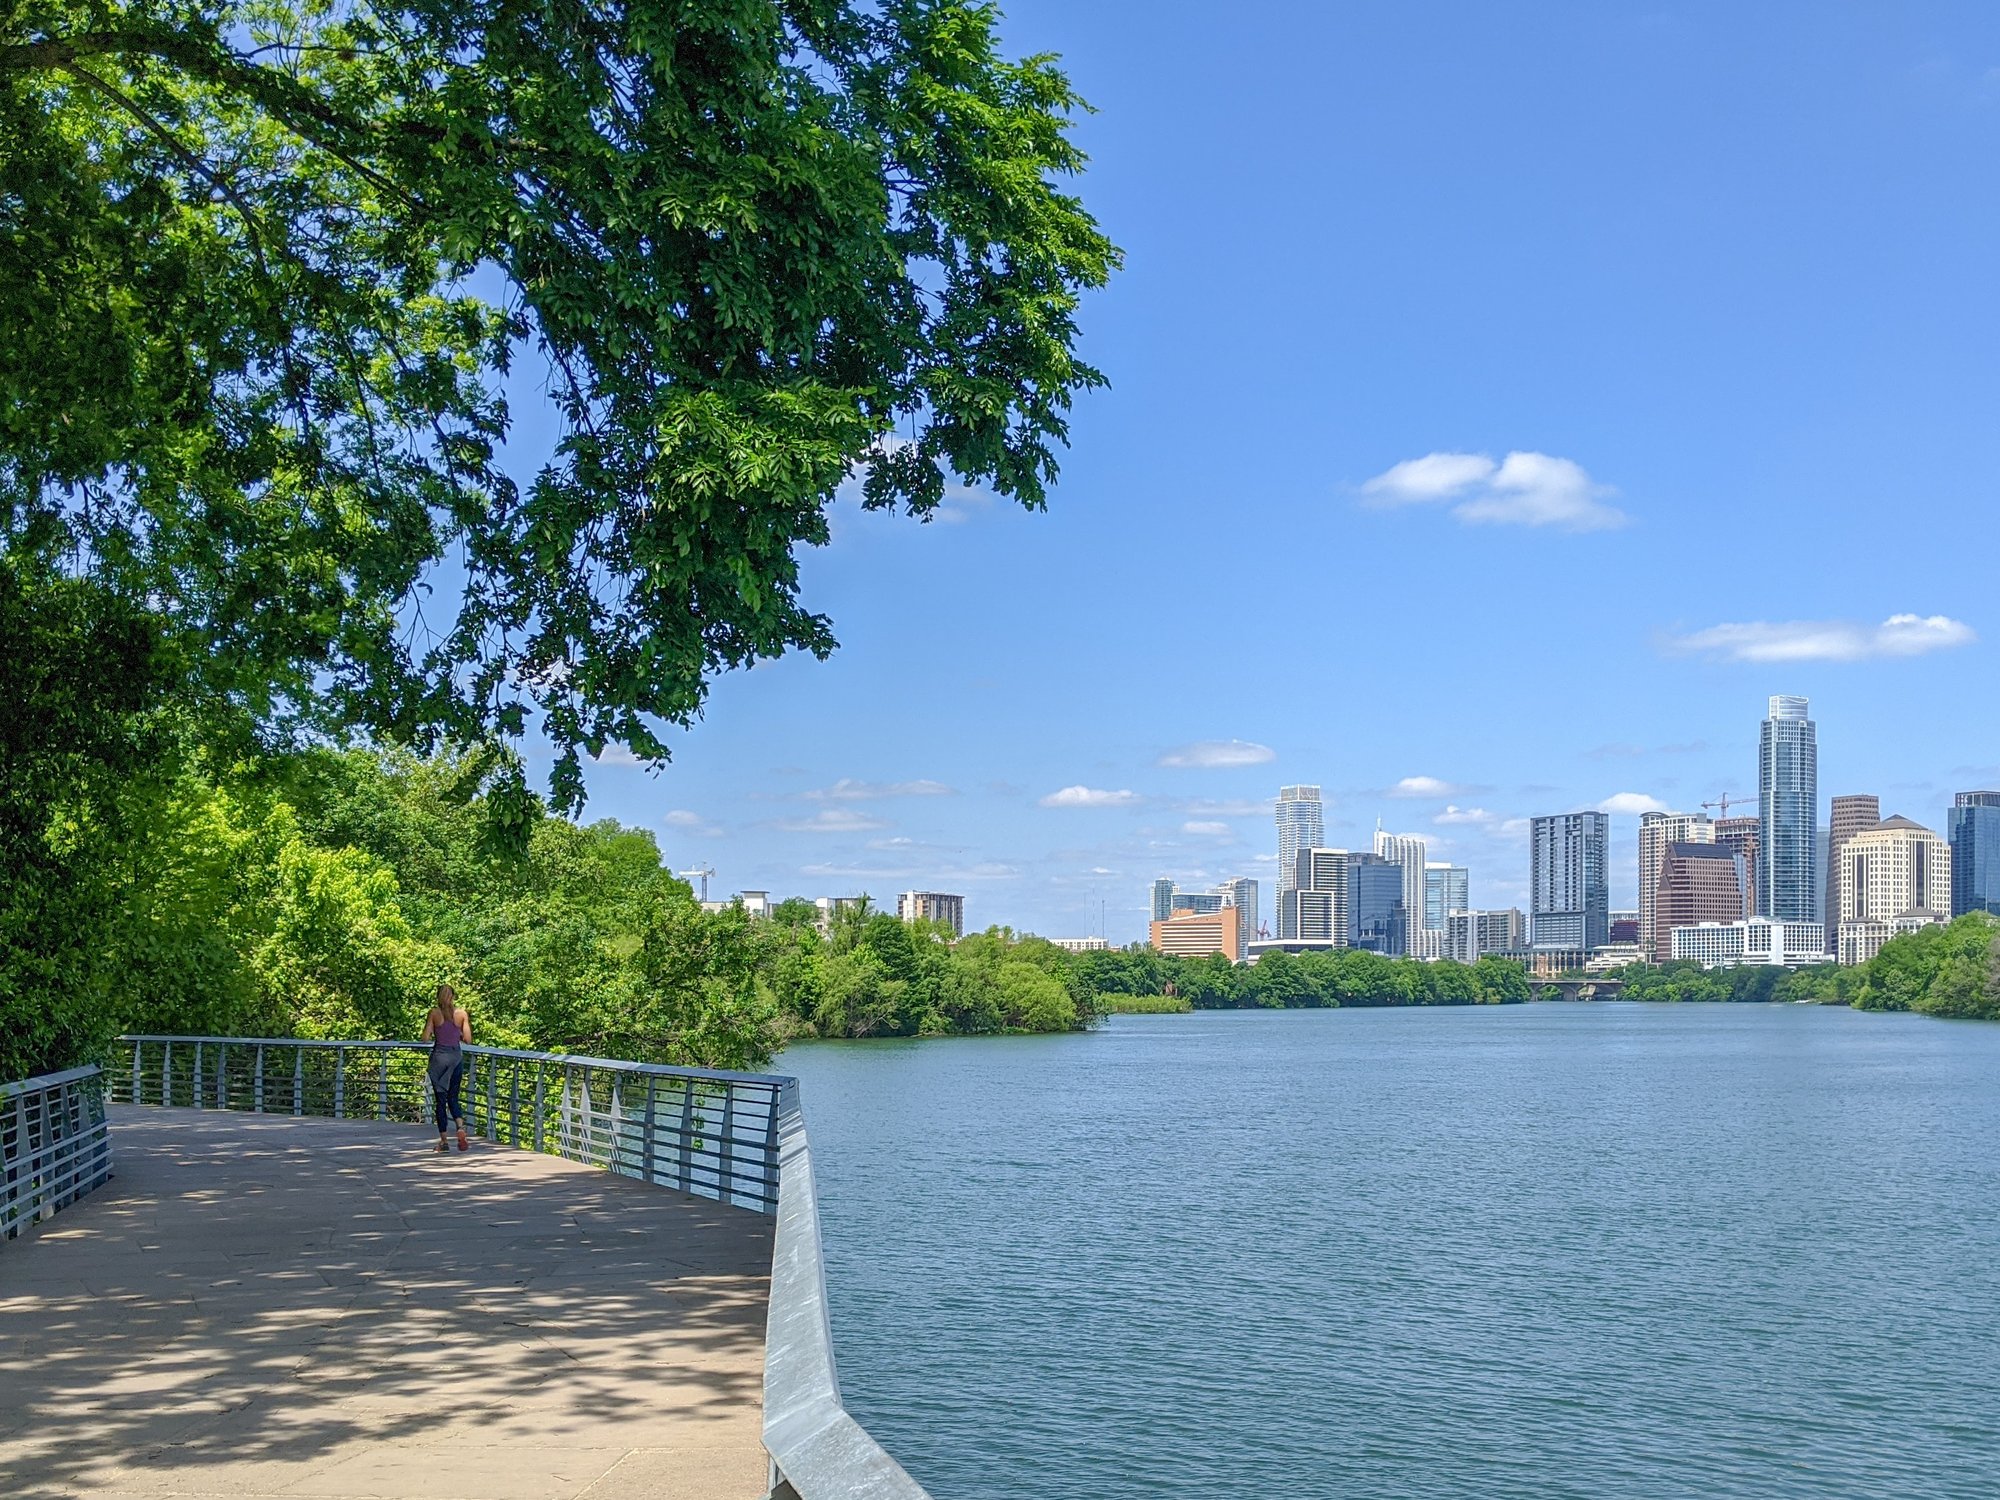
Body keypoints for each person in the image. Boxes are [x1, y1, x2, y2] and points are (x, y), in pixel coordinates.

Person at [420, 984, 472, 1153]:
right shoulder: (462, 1014)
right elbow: (468, 1039)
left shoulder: (434, 1013)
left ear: (438, 997)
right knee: (454, 1097)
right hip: (456, 1059)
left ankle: (443, 1142)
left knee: (440, 1102)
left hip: (439, 1060)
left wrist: (434, 1030)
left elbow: (425, 1038)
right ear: (453, 997)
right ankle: (460, 1127)